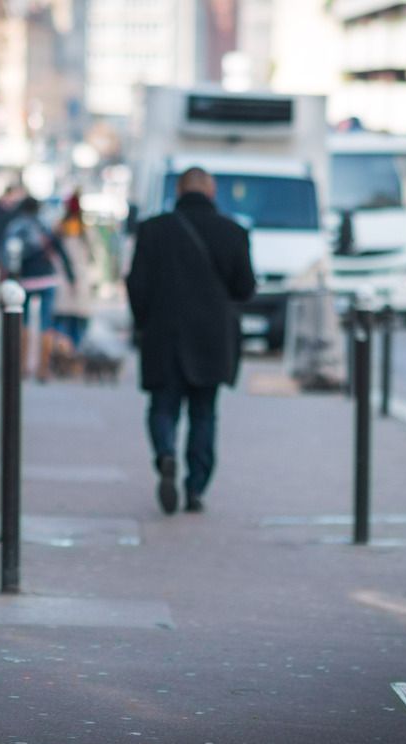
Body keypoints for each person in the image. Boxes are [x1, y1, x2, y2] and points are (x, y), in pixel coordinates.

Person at [126, 167, 256, 514]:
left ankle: (165, 453)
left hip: (163, 333)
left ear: (179, 191)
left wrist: (144, 323)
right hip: (212, 339)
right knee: (204, 414)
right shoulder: (233, 232)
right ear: (211, 192)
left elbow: (136, 285)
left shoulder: (153, 230)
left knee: (162, 407)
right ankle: (196, 487)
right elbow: (245, 289)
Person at [3, 197, 74, 382]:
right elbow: (60, 250)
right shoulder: (45, 225)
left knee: (21, 321)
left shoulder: (16, 227)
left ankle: (22, 366)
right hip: (47, 278)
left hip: (24, 279)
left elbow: (7, 255)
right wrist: (70, 275)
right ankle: (43, 369)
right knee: (46, 324)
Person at [52, 193, 96, 353]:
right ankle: (72, 355)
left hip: (65, 279)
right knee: (77, 322)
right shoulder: (84, 230)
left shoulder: (59, 228)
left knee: (63, 321)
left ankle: (63, 356)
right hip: (74, 279)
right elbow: (92, 255)